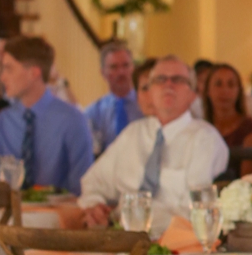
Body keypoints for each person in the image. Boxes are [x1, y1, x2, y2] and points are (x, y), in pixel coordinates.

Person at [79, 55, 229, 233]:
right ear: (149, 91)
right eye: (160, 79)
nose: (168, 85)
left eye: (178, 80)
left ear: (192, 94)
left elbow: (195, 213)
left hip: (175, 247)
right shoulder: (133, 133)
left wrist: (131, 220)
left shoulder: (205, 139)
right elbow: (93, 182)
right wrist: (96, 206)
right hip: (119, 240)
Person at [0, 36, 94, 194]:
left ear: (33, 73)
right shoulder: (3, 120)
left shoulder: (72, 120)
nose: (2, 77)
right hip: (9, 214)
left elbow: (82, 186)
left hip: (59, 213)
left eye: (9, 68)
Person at [85, 42, 140, 154]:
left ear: (132, 68)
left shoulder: (146, 106)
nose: (121, 72)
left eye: (125, 65)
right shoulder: (94, 112)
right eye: (114, 67)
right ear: (103, 72)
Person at [203, 62, 252, 149]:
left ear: (238, 91)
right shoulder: (201, 128)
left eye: (231, 85)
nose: (225, 90)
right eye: (218, 84)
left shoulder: (249, 128)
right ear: (208, 90)